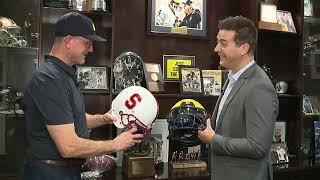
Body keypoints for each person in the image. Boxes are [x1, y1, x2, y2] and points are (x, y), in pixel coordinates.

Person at [22, 12, 144, 180]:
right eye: (87, 43)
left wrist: (103, 118)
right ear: (68, 41)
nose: (91, 49)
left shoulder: (63, 75)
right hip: (49, 173)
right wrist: (116, 144)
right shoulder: (50, 79)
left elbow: (69, 118)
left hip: (64, 171)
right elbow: (68, 146)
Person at [198, 16, 279, 180]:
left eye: (223, 43)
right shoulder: (232, 78)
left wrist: (213, 140)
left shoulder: (259, 87)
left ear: (244, 48)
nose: (216, 48)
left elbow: (257, 146)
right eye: (217, 42)